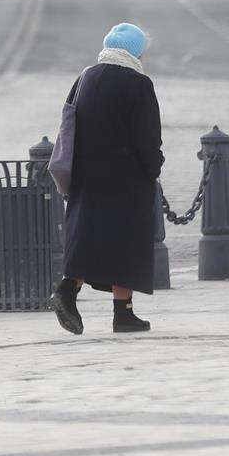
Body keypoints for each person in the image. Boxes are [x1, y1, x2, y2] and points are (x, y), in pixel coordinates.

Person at [53, 22, 164, 335]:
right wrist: (153, 167)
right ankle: (122, 312)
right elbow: (147, 137)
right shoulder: (137, 83)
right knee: (125, 245)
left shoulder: (85, 77)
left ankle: (68, 290)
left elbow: (69, 124)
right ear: (134, 50)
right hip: (126, 179)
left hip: (86, 176)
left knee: (89, 239)